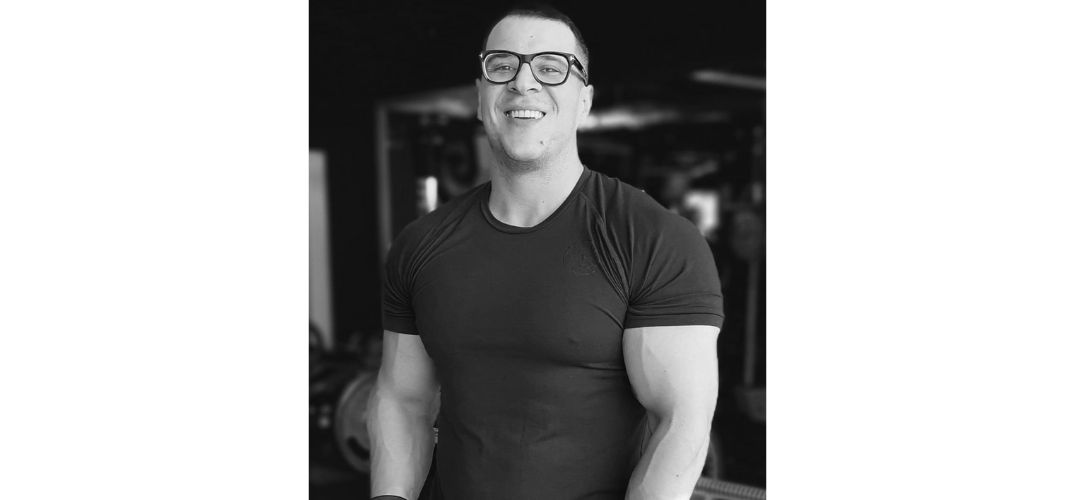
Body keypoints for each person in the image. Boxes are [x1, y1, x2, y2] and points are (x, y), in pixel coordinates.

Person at [369, 4, 724, 499]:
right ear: (480, 97)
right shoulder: (420, 244)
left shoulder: (654, 239)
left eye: (552, 67)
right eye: (501, 65)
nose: (523, 82)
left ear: (584, 101)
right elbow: (402, 400)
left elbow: (680, 421)